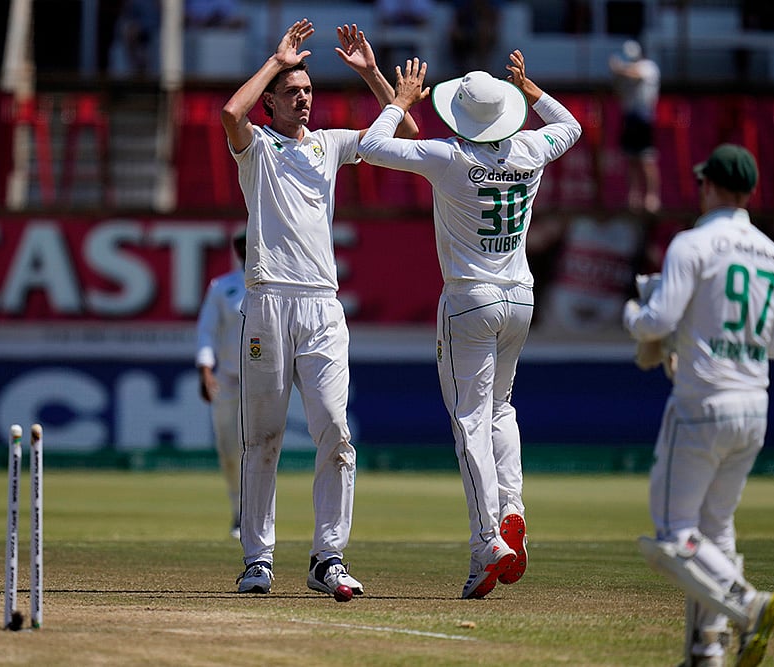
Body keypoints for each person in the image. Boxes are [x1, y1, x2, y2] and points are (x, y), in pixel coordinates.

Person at [358, 53, 581, 599]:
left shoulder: (450, 157)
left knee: (469, 421)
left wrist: (398, 103)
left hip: (469, 299)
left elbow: (371, 147)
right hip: (520, 297)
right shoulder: (529, 149)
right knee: (500, 408)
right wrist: (530, 88)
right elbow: (571, 126)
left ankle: (488, 542)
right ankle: (511, 508)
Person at [220, 19, 418, 597]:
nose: (303, 98)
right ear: (272, 101)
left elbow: (405, 133)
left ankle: (328, 558)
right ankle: (257, 560)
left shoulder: (330, 144)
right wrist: (275, 62)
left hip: (322, 307)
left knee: (335, 430)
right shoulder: (257, 148)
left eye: (308, 90)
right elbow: (230, 114)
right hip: (268, 302)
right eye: (292, 92)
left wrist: (374, 75)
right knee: (264, 438)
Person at [623, 144, 774, 667]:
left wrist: (633, 314)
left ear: (711, 186)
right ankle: (706, 650)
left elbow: (656, 322)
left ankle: (749, 604)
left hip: (702, 403)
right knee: (715, 529)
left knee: (673, 535)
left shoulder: (692, 243)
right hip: (754, 406)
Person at [195, 228, 247, 539]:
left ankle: (257, 518)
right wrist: (205, 368)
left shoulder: (277, 285)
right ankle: (239, 511)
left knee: (259, 448)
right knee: (229, 448)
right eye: (242, 247)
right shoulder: (223, 287)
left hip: (264, 381)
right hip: (228, 379)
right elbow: (206, 331)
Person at [609, 40, 661, 214]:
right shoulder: (625, 73)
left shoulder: (648, 67)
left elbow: (637, 75)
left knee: (646, 158)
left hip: (644, 118)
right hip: (629, 117)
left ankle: (652, 196)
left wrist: (619, 68)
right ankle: (634, 196)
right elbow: (619, 92)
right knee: (631, 158)